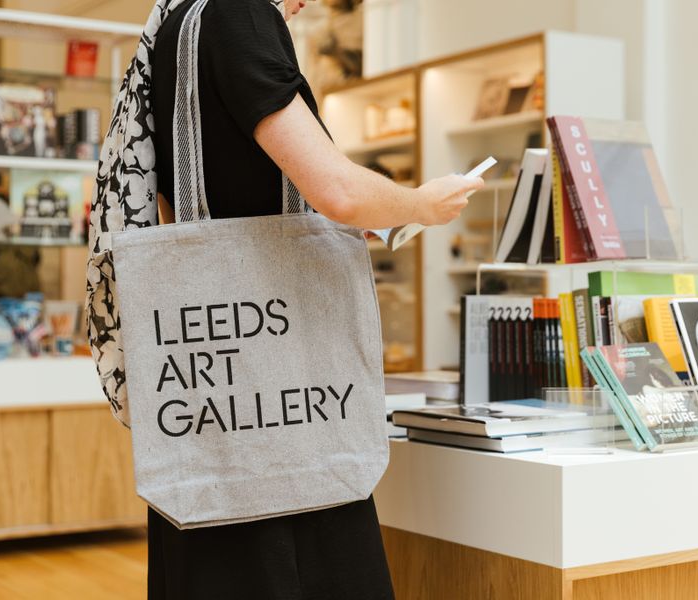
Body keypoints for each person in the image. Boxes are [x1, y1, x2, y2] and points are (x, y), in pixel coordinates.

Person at [148, 0, 483, 598]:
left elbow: (183, 202)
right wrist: (420, 204)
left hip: (211, 375)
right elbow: (336, 190)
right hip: (284, 385)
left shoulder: (177, 23)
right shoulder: (239, 14)